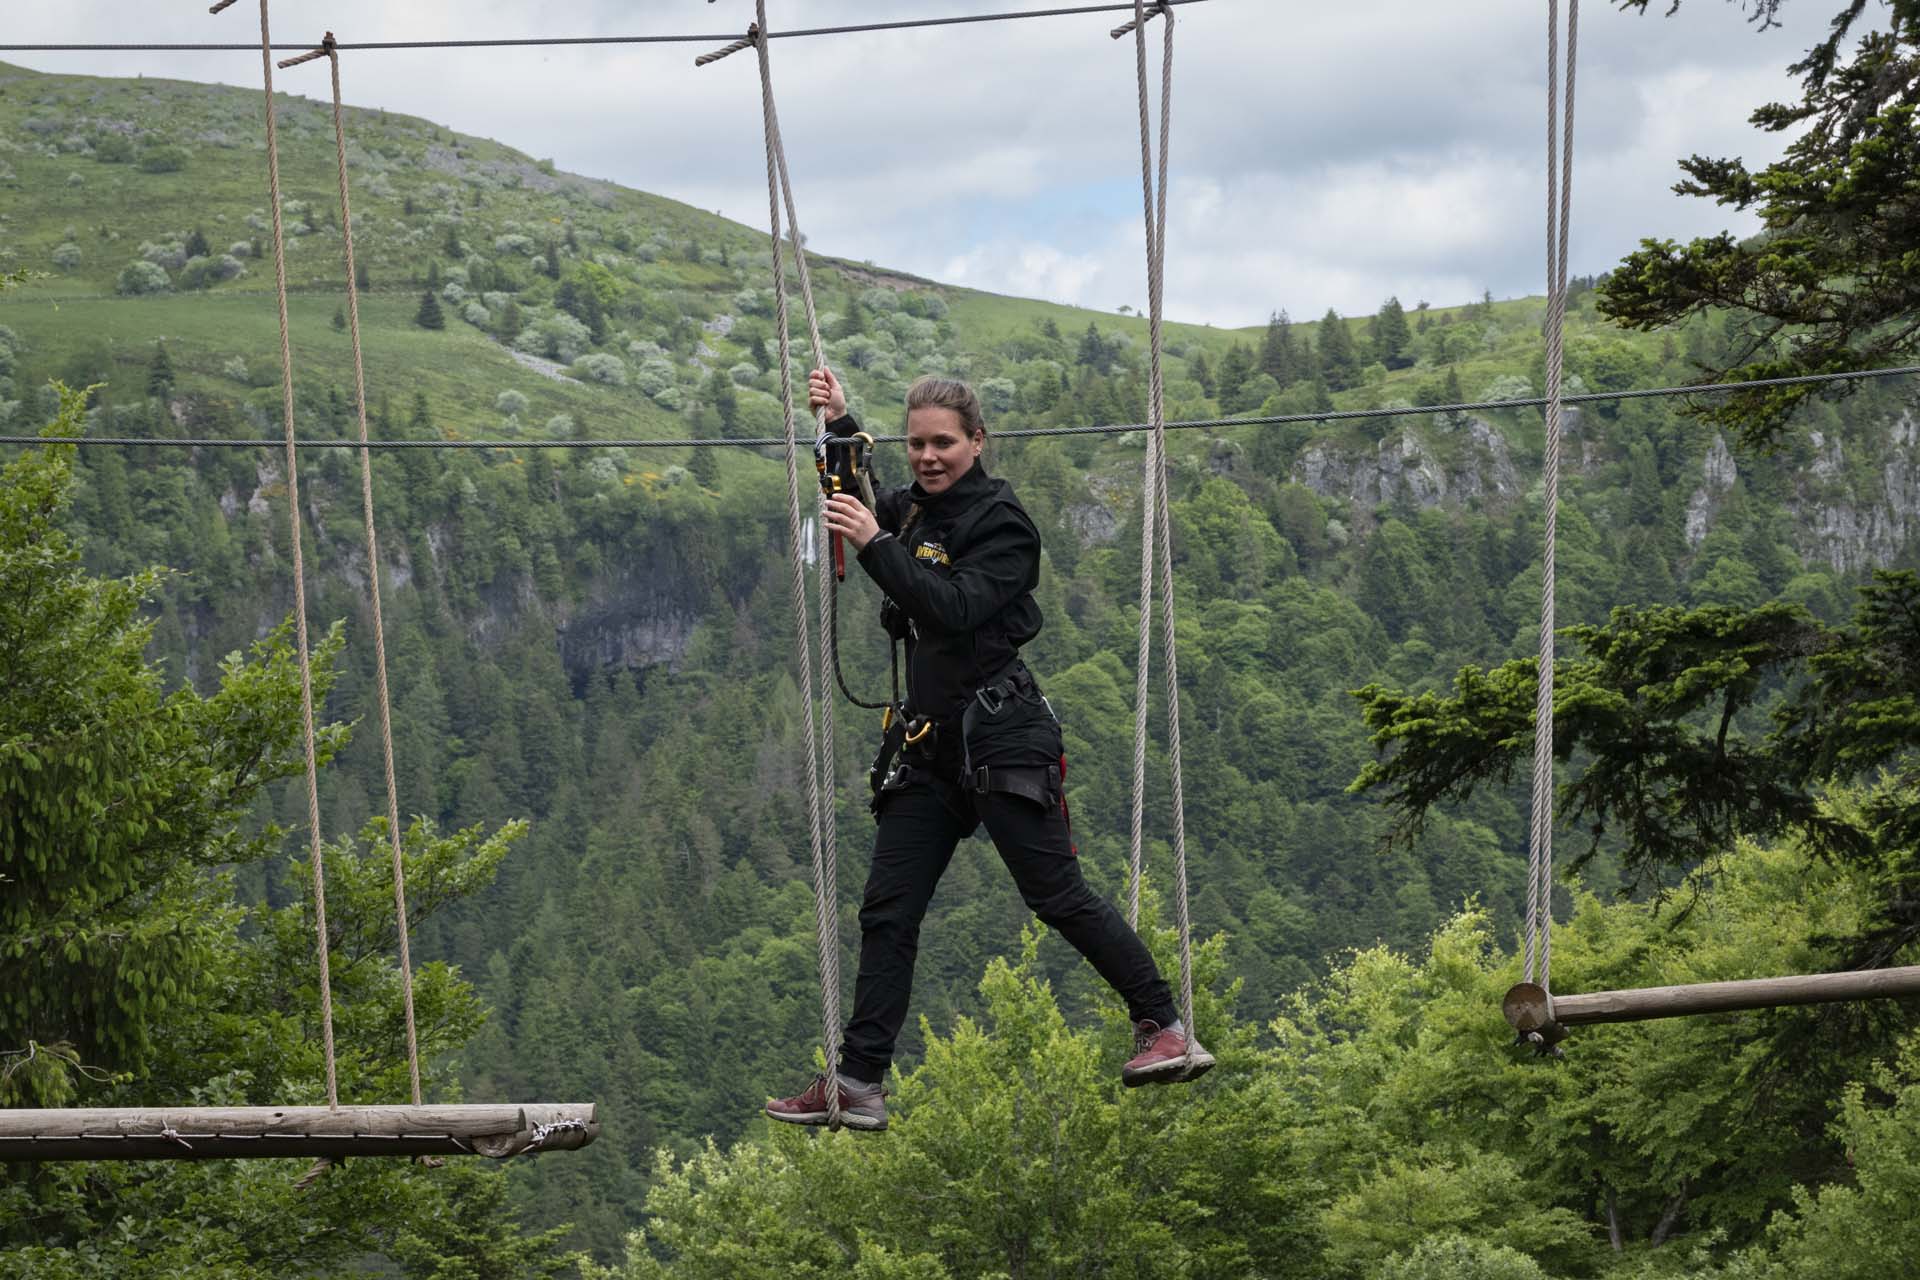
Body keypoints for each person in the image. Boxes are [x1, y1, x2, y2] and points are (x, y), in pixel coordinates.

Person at [766, 368, 1211, 1133]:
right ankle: (859, 1080)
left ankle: (1164, 1024)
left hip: (1004, 732)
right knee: (888, 910)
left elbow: (955, 607)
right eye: (916, 444)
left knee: (1054, 893)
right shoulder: (911, 512)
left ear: (978, 442)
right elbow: (871, 496)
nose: (928, 457)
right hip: (931, 743)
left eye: (944, 443)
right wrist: (843, 424)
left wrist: (874, 545)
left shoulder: (1003, 523)